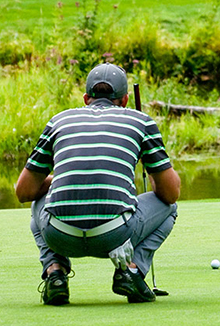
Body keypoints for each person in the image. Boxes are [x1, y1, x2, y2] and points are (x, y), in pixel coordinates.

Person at [15, 63, 181, 305]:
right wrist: (152, 169)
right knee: (170, 209)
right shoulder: (141, 121)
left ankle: (55, 273)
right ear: (125, 100)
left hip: (59, 236)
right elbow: (171, 193)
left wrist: (56, 180)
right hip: (115, 235)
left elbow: (23, 192)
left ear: (85, 98)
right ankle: (132, 271)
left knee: (39, 202)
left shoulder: (59, 121)